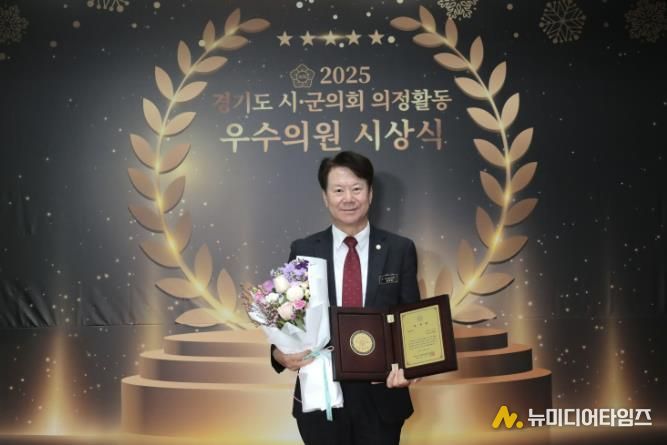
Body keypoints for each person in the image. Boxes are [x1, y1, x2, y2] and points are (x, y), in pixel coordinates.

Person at [271, 151, 420, 445]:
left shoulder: (399, 249)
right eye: (338, 190)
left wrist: (412, 364)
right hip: (321, 394)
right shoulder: (304, 250)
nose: (348, 198)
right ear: (325, 197)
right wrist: (279, 353)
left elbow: (412, 317)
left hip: (381, 396)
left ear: (370, 193)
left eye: (356, 189)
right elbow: (287, 317)